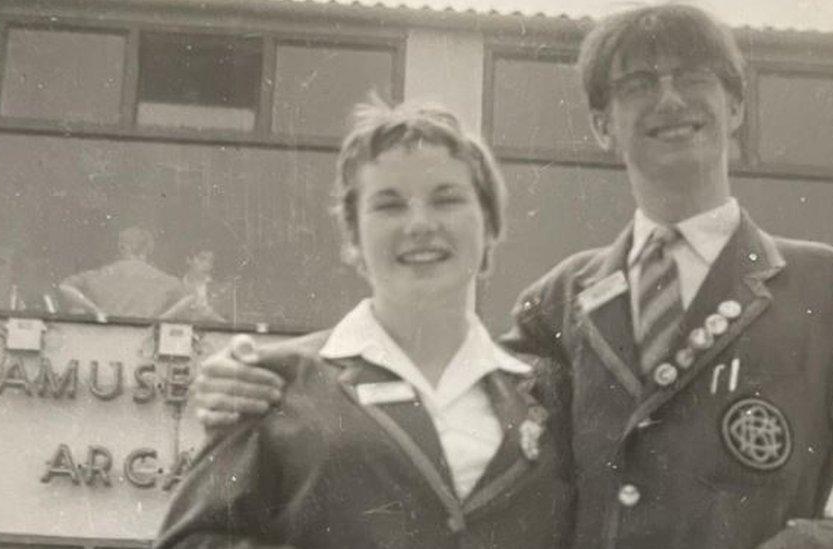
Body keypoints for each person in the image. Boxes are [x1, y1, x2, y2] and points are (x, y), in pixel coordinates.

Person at [192, 5, 833, 549]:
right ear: (602, 125)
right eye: (637, 85)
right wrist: (273, 374)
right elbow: (450, 385)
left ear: (735, 107)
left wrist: (820, 541)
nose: (669, 99)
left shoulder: (823, 287)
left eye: (692, 78)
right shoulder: (564, 298)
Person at [153, 100, 575, 549]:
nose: (420, 225)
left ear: (489, 226)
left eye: (446, 199)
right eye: (389, 205)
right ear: (353, 240)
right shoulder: (274, 384)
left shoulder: (548, 393)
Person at [59, 226, 184, 321]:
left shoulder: (102, 274)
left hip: (107, 334)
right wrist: (162, 319)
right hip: (146, 337)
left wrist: (95, 310)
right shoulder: (163, 279)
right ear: (149, 249)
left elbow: (65, 287)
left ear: (122, 247)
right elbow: (189, 297)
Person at [160, 249, 226, 322]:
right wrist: (181, 306)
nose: (207, 264)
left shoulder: (221, 290)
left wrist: (212, 315)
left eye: (211, 261)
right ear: (189, 260)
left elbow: (233, 326)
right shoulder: (173, 287)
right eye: (202, 259)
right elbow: (157, 320)